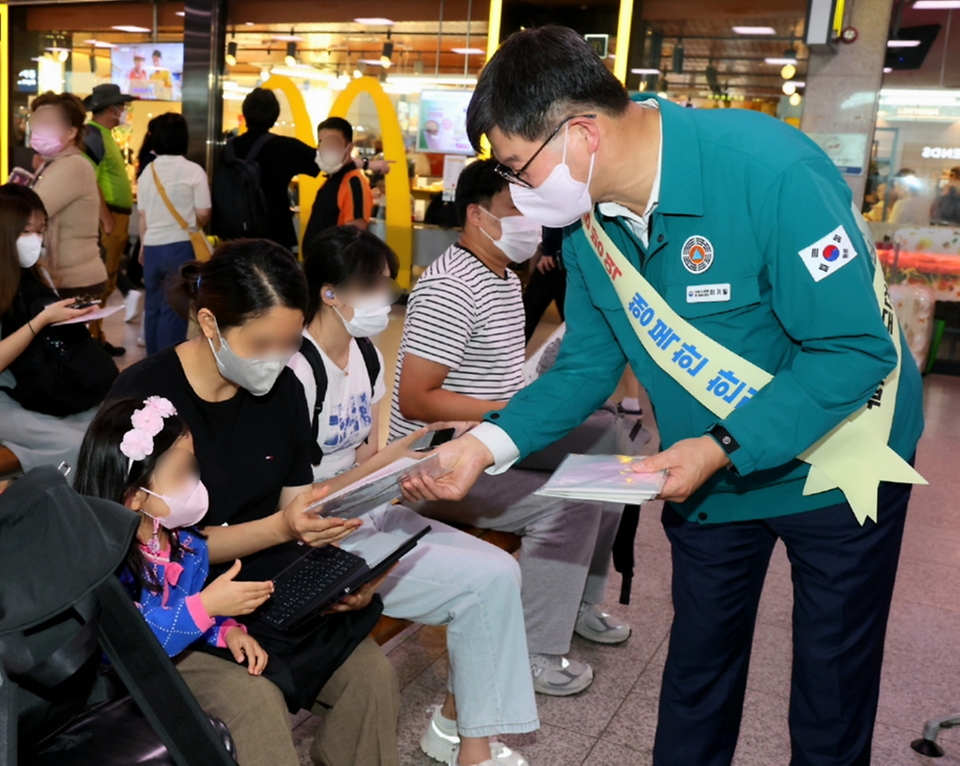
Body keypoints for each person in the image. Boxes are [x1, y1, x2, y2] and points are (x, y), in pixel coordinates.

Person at [401, 26, 925, 766]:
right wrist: (484, 446)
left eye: (519, 169)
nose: (517, 193)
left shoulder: (767, 171)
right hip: (707, 479)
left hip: (841, 461)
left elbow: (853, 349)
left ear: (581, 133)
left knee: (830, 685)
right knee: (697, 672)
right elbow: (585, 365)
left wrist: (720, 445)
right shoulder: (588, 228)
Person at [107, 239, 400, 766]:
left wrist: (341, 580)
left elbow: (295, 512)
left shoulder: (284, 391)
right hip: (176, 608)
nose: (276, 360)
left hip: (267, 593)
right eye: (262, 343)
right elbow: (145, 549)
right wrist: (285, 528)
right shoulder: (147, 401)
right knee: (255, 703)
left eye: (288, 344)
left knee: (372, 677)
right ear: (211, 324)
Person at [288, 226, 538, 766]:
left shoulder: (367, 357)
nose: (387, 297)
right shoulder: (296, 368)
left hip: (366, 513)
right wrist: (378, 478)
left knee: (502, 567)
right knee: (487, 581)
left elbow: (362, 458)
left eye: (386, 284)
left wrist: (408, 458)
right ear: (330, 292)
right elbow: (296, 492)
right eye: (373, 286)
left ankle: (460, 733)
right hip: (320, 531)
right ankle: (467, 746)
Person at [391, 159, 631, 698]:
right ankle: (533, 653)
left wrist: (533, 395)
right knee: (572, 501)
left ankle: (579, 602)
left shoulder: (501, 276)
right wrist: (514, 407)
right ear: (477, 215)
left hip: (493, 437)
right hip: (435, 462)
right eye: (516, 208)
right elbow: (417, 399)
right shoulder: (450, 286)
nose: (530, 221)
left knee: (608, 455)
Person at [75, 396, 272, 670]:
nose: (194, 483)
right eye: (180, 474)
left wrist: (227, 630)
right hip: (122, 679)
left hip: (172, 658)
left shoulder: (188, 543)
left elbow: (189, 608)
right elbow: (127, 645)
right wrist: (207, 606)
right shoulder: (106, 564)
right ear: (133, 497)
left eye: (193, 467)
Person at [0, 188, 97, 476]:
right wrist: (40, 322)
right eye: (27, 231)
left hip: (32, 386)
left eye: (40, 230)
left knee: (102, 423)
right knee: (75, 443)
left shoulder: (33, 274)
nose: (36, 240)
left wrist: (69, 321)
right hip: (7, 397)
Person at [230, 89, 388, 252]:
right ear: (275, 116)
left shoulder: (228, 147)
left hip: (233, 235)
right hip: (273, 237)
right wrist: (368, 164)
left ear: (245, 113)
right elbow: (328, 160)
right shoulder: (285, 148)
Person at [136, 112, 211, 355]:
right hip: (179, 247)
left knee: (153, 306)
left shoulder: (147, 172)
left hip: (152, 246)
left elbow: (143, 217)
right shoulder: (193, 171)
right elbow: (203, 212)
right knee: (174, 308)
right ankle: (169, 364)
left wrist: (142, 248)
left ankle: (151, 362)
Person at [29, 93, 108, 303]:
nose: (38, 129)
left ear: (72, 131)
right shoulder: (52, 164)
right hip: (59, 278)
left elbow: (33, 211)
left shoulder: (73, 165)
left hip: (75, 281)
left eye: (48, 123)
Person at [83, 83, 142, 326]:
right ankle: (93, 337)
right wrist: (106, 218)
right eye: (122, 106)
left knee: (109, 279)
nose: (124, 111)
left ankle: (99, 336)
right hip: (109, 219)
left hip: (117, 218)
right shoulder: (93, 136)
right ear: (111, 109)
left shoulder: (106, 136)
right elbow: (89, 179)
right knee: (102, 282)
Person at [301, 116, 373, 254]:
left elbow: (354, 236)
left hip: (333, 270)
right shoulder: (332, 180)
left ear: (349, 147)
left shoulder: (354, 183)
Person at [522, 226, 565, 343]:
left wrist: (548, 251)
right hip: (571, 260)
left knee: (528, 314)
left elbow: (555, 221)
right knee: (570, 320)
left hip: (554, 259)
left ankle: (508, 354)